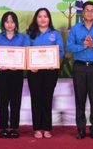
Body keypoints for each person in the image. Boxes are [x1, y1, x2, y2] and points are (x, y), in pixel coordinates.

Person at [67, 1, 93, 139]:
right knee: (80, 99)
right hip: (79, 67)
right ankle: (80, 129)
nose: (89, 13)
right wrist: (83, 46)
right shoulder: (75, 29)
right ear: (83, 12)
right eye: (87, 10)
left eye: (92, 10)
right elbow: (69, 47)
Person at [24, 7, 64, 139]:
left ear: (49, 19)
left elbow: (60, 52)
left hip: (50, 71)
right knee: (36, 99)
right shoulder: (30, 34)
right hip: (34, 71)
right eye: (40, 16)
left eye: (45, 16)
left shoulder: (55, 34)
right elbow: (26, 50)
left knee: (47, 98)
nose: (42, 19)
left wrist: (54, 62)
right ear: (36, 19)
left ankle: (47, 128)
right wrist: (30, 65)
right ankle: (36, 129)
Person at [0, 11, 25, 139]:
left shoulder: (22, 37)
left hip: (17, 73)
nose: (10, 24)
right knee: (3, 101)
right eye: (7, 22)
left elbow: (25, 54)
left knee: (15, 101)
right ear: (3, 24)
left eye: (12, 22)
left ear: (16, 23)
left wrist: (19, 64)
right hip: (2, 73)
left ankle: (13, 128)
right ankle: (3, 128)